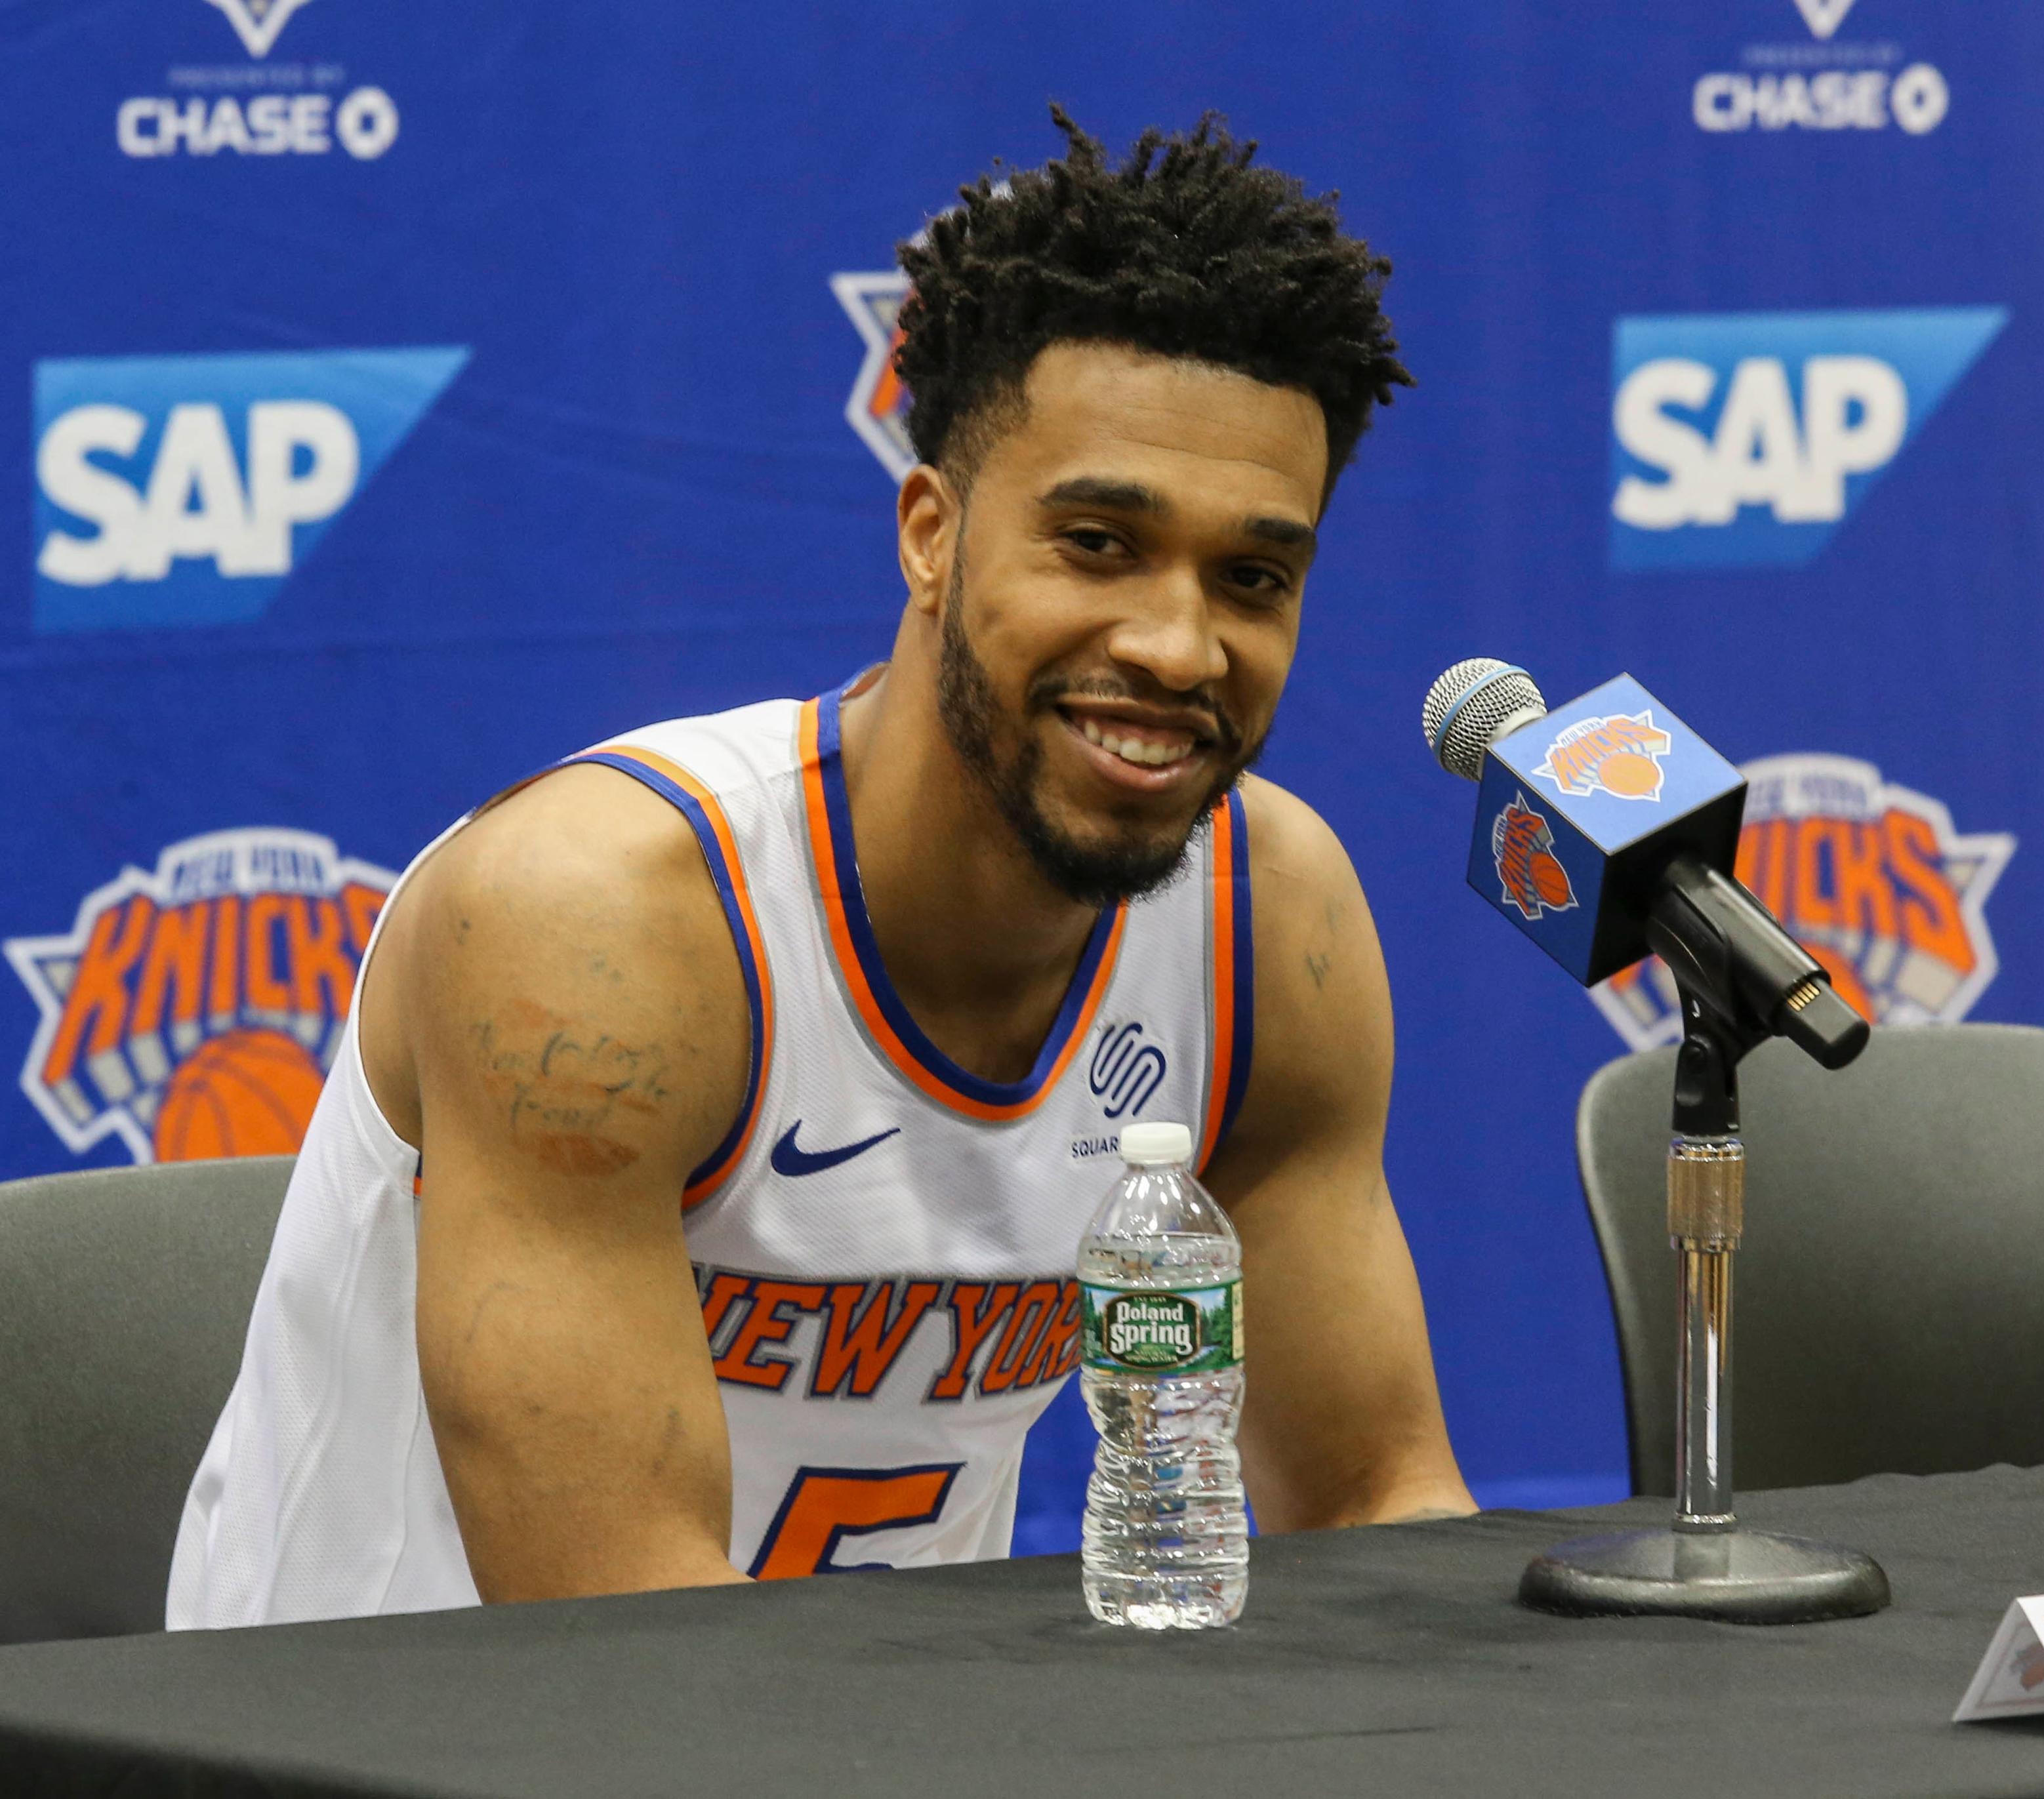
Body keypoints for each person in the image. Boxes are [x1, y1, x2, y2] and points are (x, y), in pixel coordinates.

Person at [167, 110, 1477, 1628]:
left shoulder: (1269, 918)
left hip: (868, 1743)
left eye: (1251, 578)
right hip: (387, 1747)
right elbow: (619, 1639)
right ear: (933, 533)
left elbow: (1381, 1501)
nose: (1180, 646)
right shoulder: (598, 921)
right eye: (1099, 544)